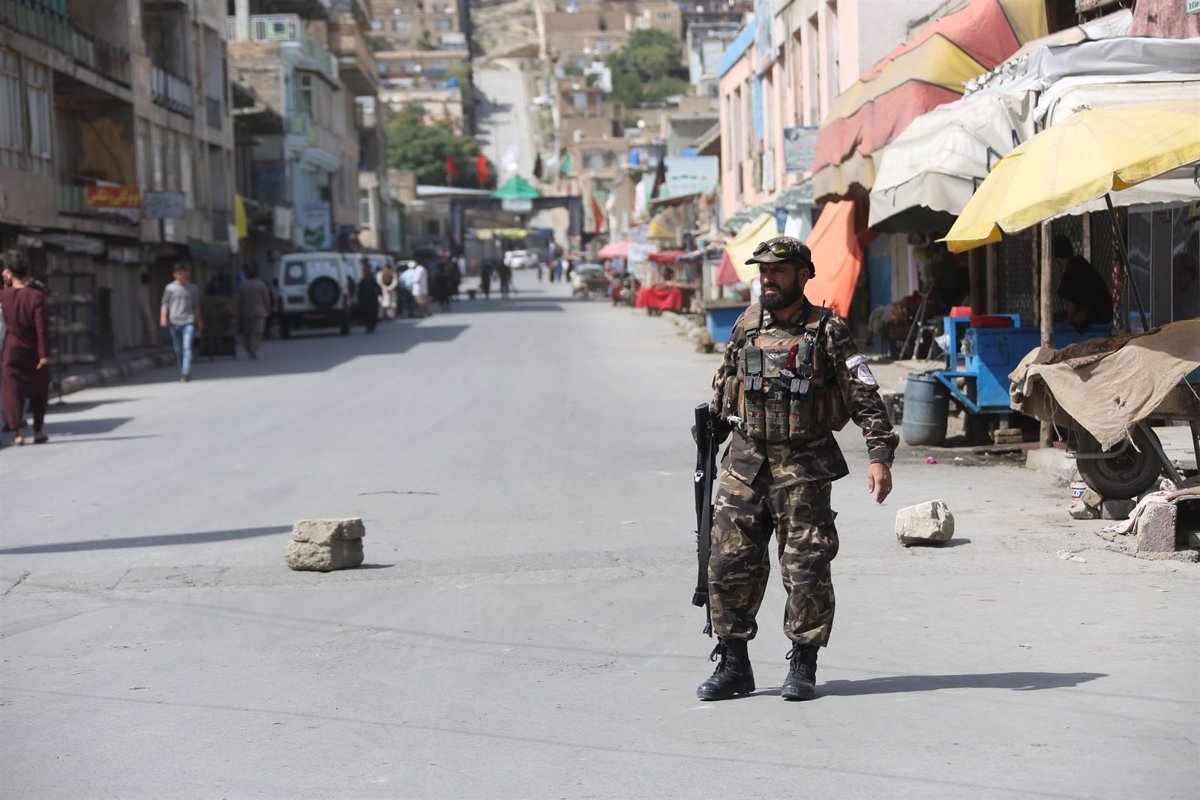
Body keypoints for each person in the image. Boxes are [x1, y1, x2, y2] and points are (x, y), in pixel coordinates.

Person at [698, 236, 897, 702]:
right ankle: (733, 664)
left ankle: (803, 664)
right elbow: (725, 383)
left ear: (804, 275)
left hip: (803, 469)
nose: (768, 279)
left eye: (779, 271)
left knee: (806, 568)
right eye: (763, 271)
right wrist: (710, 433)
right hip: (744, 466)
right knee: (727, 565)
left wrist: (879, 454)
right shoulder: (745, 325)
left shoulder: (828, 330)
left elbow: (863, 391)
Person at [0, 250, 51, 445]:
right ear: (27, 272)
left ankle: (19, 433)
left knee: (12, 391)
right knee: (40, 390)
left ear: (9, 272)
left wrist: (6, 284)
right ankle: (38, 431)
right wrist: (44, 354)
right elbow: (41, 328)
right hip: (34, 352)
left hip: (11, 352)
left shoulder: (3, 296)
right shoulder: (35, 296)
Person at [1054, 236, 1112, 333]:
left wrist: (1068, 321)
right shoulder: (1080, 264)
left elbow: (1072, 303)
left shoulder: (1072, 270)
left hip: (1096, 315)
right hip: (1103, 313)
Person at [160, 263, 202, 382]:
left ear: (186, 273)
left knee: (187, 347)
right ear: (174, 275)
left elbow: (196, 306)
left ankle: (186, 372)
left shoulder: (193, 288)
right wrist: (163, 317)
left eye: (182, 273)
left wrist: (199, 321)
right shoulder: (169, 288)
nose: (180, 275)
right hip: (174, 322)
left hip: (189, 321)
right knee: (178, 350)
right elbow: (164, 304)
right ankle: (182, 369)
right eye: (177, 273)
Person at [236, 265, 272, 358]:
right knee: (258, 332)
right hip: (259, 312)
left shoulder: (242, 285)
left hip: (246, 312)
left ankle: (248, 348)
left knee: (247, 332)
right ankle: (253, 348)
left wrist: (239, 312)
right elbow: (266, 298)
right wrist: (268, 309)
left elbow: (239, 300)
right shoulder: (261, 284)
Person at [356, 262, 382, 333]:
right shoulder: (362, 281)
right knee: (366, 315)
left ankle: (372, 326)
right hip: (365, 301)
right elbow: (359, 292)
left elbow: (378, 288)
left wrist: (379, 294)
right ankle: (368, 327)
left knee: (373, 314)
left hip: (373, 300)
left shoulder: (373, 280)